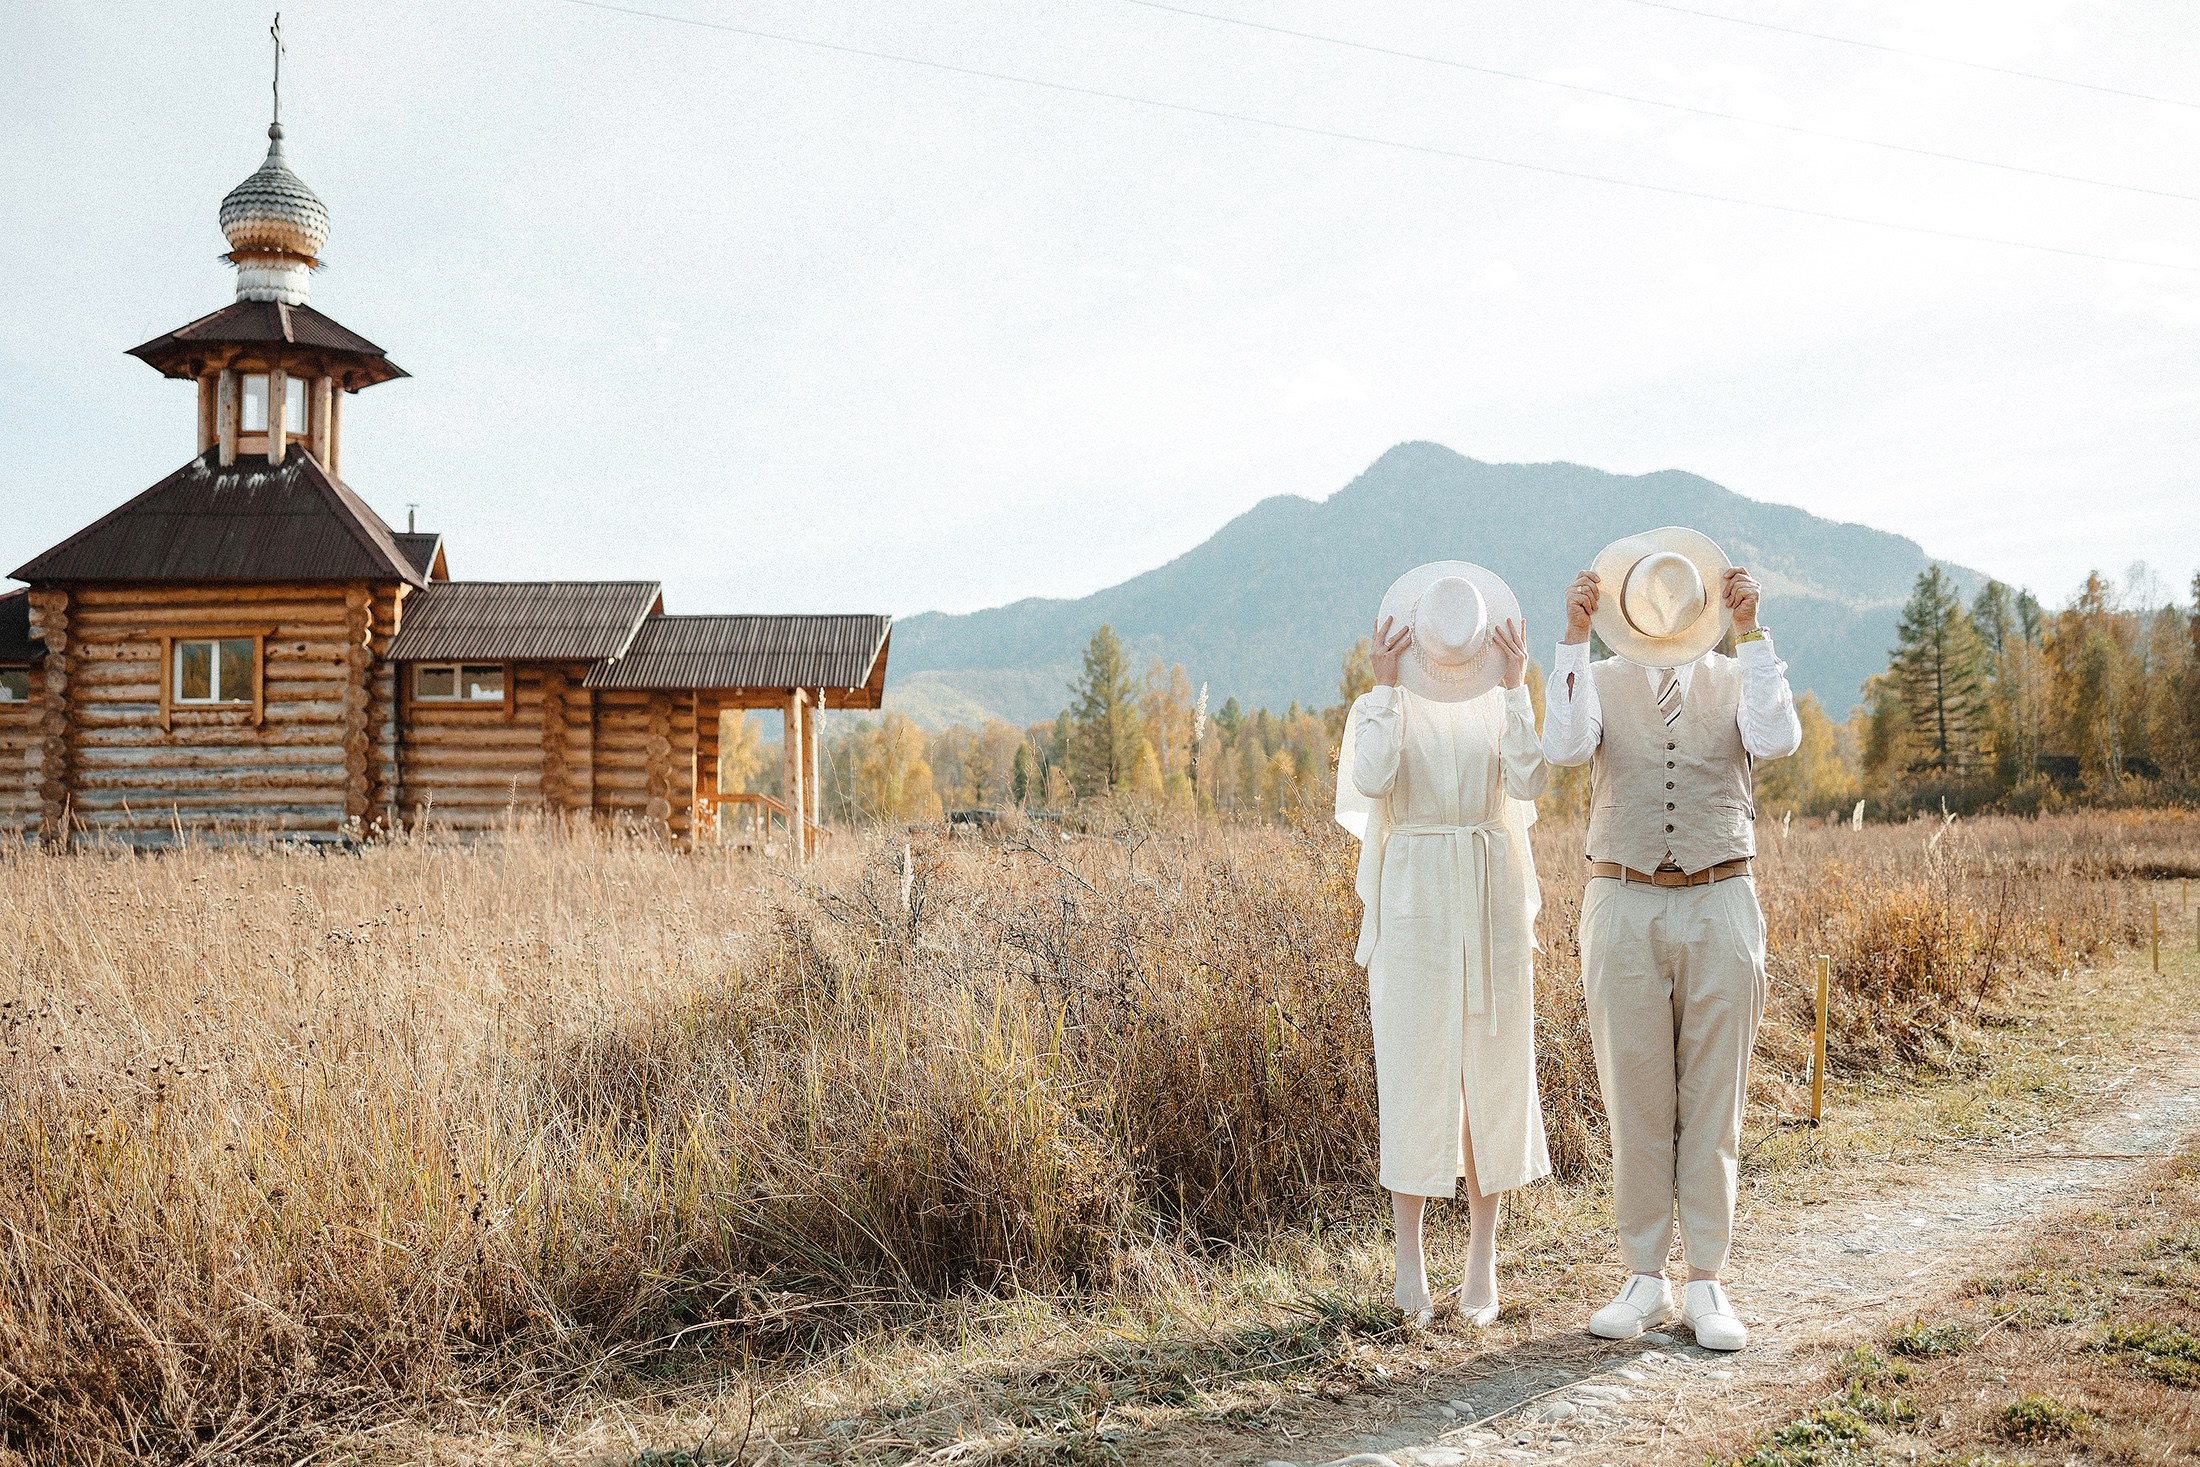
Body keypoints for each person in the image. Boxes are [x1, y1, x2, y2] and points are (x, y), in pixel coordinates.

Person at [1540, 527, 1802, 1353]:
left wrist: (1754, 632)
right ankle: (1643, 1274)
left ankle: (1708, 1282)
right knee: (1637, 1092)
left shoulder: (1738, 672)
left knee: (1715, 1096)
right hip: (1621, 900)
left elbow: (1779, 738)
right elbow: (1563, 746)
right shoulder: (1599, 675)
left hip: (1723, 894)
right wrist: (1571, 640)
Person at [1336, 561, 1551, 1328]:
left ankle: (1482, 1262)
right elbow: (1372, 777)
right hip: (1415, 892)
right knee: (1414, 1064)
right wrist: (1387, 687)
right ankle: (1408, 1261)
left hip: (1490, 885)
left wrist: (1520, 685)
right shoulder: (1376, 703)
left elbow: (1529, 780)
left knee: (1490, 1065)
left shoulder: (1501, 700)